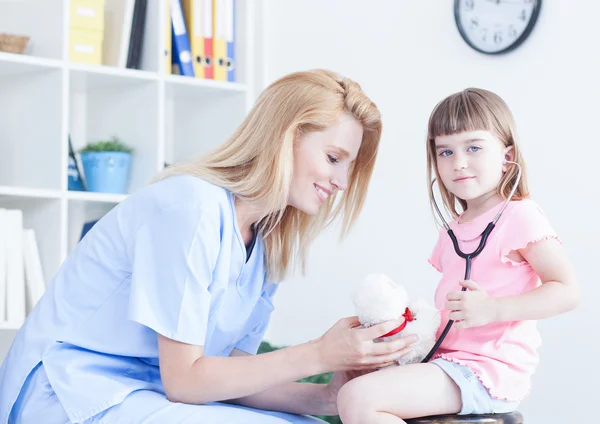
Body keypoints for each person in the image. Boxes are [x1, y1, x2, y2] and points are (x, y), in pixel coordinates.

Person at [0, 69, 418, 424]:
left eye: (349, 166)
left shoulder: (267, 242)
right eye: (333, 158)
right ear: (284, 137)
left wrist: (328, 397)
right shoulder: (191, 207)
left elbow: (231, 379)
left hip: (148, 392)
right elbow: (185, 381)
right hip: (69, 393)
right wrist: (319, 354)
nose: (342, 182)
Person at [336, 87, 581, 423]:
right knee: (353, 383)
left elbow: (568, 291)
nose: (459, 162)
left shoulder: (520, 216)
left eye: (474, 147)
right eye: (445, 152)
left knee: (358, 399)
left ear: (507, 156)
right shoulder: (454, 229)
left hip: (488, 372)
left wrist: (494, 309)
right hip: (448, 363)